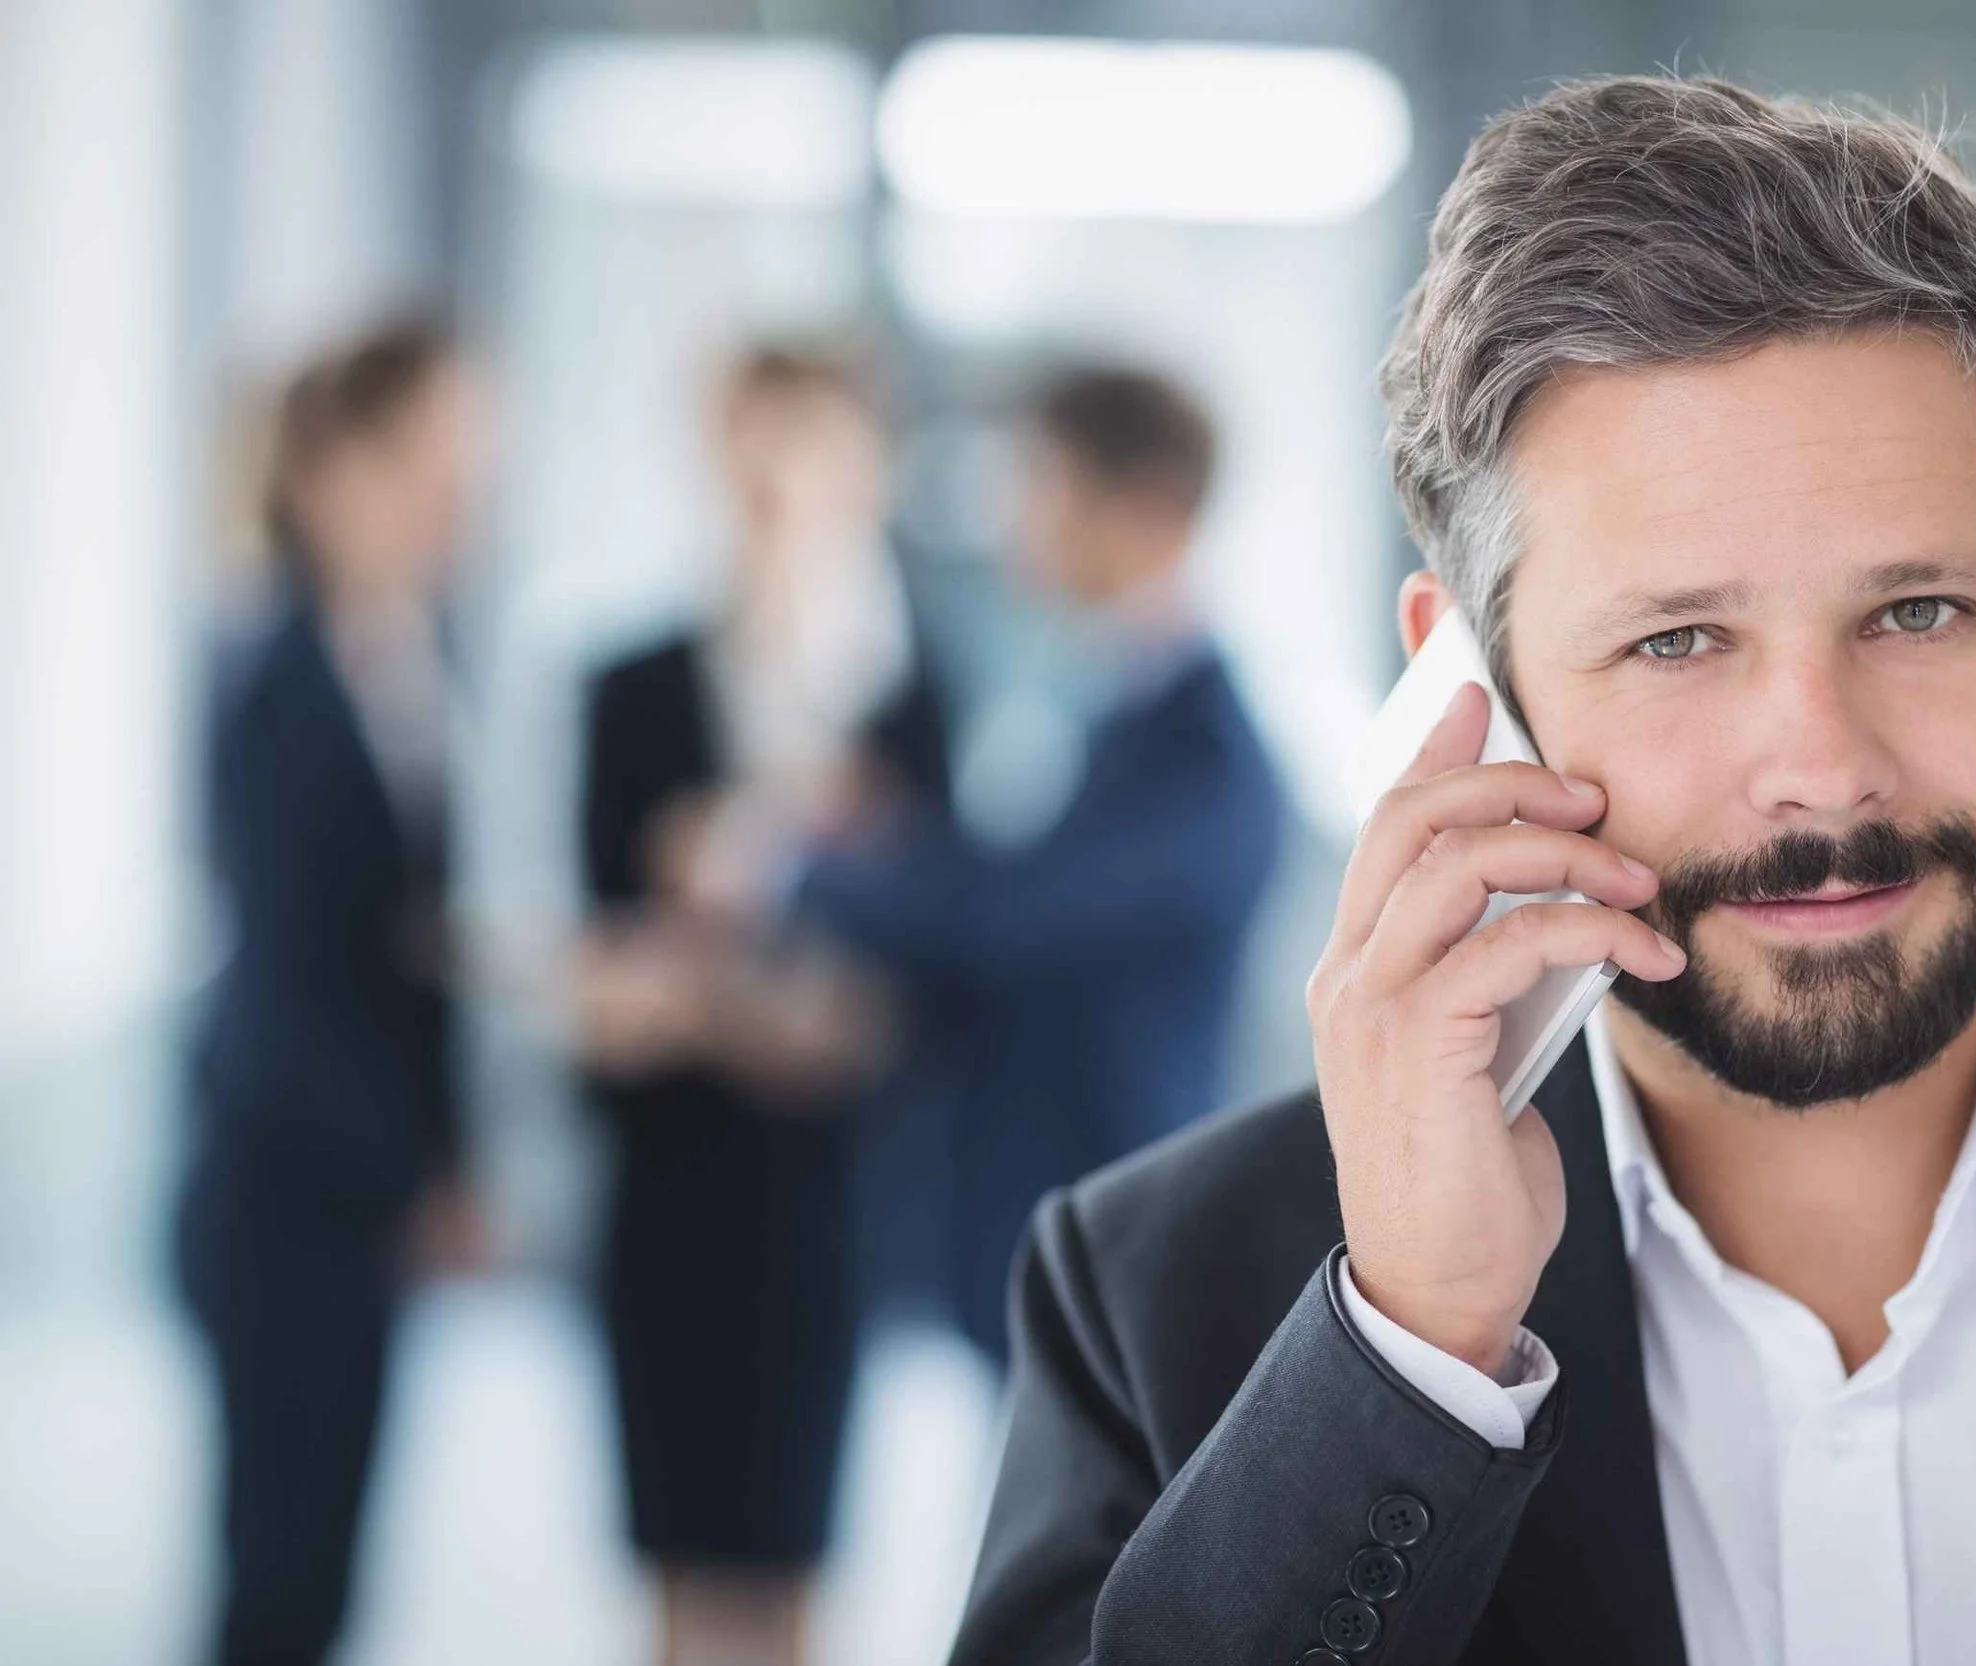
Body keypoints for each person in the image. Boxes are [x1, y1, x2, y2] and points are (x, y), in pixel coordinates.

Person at [951, 76, 1976, 1666]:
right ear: (1467, 693)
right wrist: (1416, 1348)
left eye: (1918, 612)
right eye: (1678, 638)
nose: (1821, 765)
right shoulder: (1154, 1300)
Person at [783, 366, 1284, 1367]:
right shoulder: (1082, 696)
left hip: (1117, 1242)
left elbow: (1010, 917)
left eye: (1040, 483)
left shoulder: (1210, 759)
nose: (1015, 517)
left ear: (1139, 510)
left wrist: (789, 870)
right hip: (1022, 1224)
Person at [573, 342, 944, 1666]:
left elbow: (935, 960)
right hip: (668, 1182)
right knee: (675, 1556)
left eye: (808, 447)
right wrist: (730, 1011)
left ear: (866, 467)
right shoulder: (630, 687)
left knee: (793, 1553)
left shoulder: (913, 696)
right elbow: (604, 957)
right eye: (750, 446)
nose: (775, 481)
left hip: (822, 1194)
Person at [176, 316, 491, 1666]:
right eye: (425, 455)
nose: (456, 490)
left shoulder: (410, 657)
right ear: (324, 471)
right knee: (278, 1581)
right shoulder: (275, 679)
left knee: (330, 1579)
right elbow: (291, 990)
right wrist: (413, 1174)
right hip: (288, 1190)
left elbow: (407, 949)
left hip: (359, 1191)